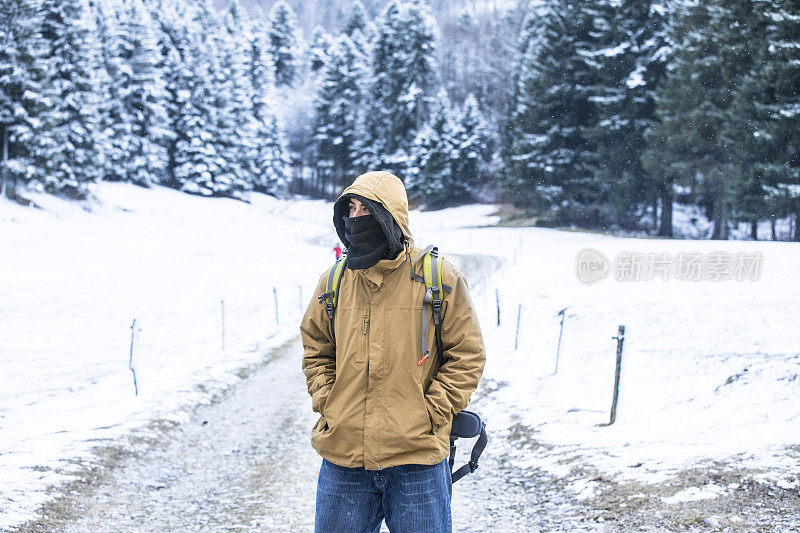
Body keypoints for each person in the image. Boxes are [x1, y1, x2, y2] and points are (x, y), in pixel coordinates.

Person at [300, 171, 486, 533]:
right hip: (344, 460)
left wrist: (430, 412)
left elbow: (467, 356)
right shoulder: (333, 282)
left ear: (390, 215)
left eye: (364, 209)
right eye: (349, 208)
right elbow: (315, 348)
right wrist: (329, 400)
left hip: (418, 462)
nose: (355, 218)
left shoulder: (440, 279)